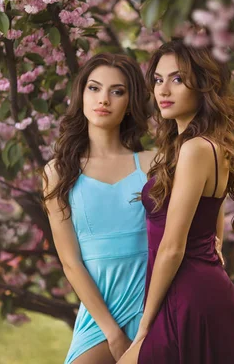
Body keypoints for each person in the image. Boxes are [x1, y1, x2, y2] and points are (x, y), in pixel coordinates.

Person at [118, 40, 234, 364]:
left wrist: (144, 328)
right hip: (200, 291)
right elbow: (214, 211)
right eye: (158, 79)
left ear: (203, 87)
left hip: (187, 296)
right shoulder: (206, 145)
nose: (163, 89)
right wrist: (213, 245)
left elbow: (172, 247)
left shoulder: (194, 149)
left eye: (177, 79)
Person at [42, 53, 156, 364]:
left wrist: (215, 238)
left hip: (152, 306)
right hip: (99, 317)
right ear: (80, 95)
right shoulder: (58, 172)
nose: (103, 99)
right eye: (94, 88)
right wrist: (113, 333)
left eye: (117, 91)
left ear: (131, 101)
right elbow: (70, 262)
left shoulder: (152, 164)